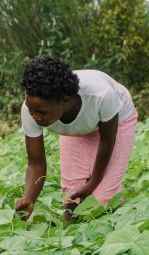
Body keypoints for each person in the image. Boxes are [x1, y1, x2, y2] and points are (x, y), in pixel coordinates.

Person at [13, 57, 137, 221]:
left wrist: (92, 183)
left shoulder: (101, 94)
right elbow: (36, 162)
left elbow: (107, 141)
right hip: (76, 128)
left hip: (116, 121)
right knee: (72, 201)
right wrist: (29, 197)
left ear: (64, 101)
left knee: (103, 201)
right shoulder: (32, 108)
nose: (35, 117)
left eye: (42, 113)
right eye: (31, 111)